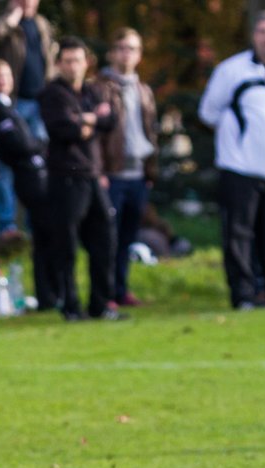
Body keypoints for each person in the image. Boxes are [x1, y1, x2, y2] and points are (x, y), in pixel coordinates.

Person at [199, 11, 265, 309]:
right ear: (253, 36)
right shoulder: (231, 71)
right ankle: (244, 295)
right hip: (240, 169)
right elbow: (209, 112)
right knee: (239, 236)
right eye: (262, 32)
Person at [41, 38, 119, 321]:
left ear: (86, 63)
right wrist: (90, 120)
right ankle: (71, 305)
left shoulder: (93, 90)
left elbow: (111, 119)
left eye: (78, 60)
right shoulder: (53, 94)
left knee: (105, 239)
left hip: (93, 176)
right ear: (60, 64)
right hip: (66, 178)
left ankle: (102, 304)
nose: (74, 66)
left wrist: (84, 121)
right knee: (67, 246)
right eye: (68, 61)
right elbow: (63, 128)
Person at [0, 58, 56, 309]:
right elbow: (18, 143)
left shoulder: (10, 107)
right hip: (14, 173)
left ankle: (47, 293)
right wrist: (37, 147)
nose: (2, 80)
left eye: (6, 75)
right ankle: (8, 225)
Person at [98, 27, 157, 309]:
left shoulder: (143, 91)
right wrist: (100, 172)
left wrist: (150, 173)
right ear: (112, 53)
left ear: (140, 54)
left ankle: (121, 289)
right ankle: (105, 292)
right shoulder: (100, 88)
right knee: (107, 238)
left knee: (127, 238)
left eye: (132, 48)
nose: (127, 53)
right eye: (122, 47)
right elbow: (97, 136)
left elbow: (151, 133)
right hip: (112, 175)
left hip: (138, 175)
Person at [0, 0, 56, 238]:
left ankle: (35, 221)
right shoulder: (6, 22)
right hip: (14, 103)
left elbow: (49, 61)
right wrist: (13, 15)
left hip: (39, 102)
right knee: (7, 164)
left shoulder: (41, 25)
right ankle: (7, 225)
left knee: (37, 162)